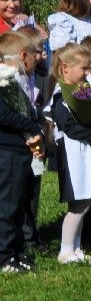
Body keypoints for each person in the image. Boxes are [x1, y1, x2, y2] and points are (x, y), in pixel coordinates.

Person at [49, 43, 91, 263]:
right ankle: (65, 250)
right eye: (83, 68)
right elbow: (69, 127)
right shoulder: (60, 96)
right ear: (65, 67)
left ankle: (76, 248)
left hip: (83, 150)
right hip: (71, 152)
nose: (87, 73)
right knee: (78, 203)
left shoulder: (81, 91)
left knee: (85, 201)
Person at [0, 32, 46, 273]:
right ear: (23, 56)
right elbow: (4, 115)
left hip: (19, 152)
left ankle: (17, 251)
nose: (38, 60)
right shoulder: (2, 80)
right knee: (7, 206)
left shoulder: (15, 81)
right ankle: (4, 257)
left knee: (17, 205)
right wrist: (30, 126)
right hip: (7, 151)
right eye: (34, 55)